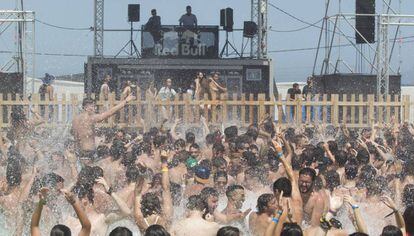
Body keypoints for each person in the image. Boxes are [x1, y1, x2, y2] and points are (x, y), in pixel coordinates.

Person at [71, 94, 135, 161]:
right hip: (89, 152)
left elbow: (75, 136)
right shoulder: (91, 118)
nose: (94, 108)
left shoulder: (75, 120)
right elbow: (109, 113)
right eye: (93, 106)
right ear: (86, 107)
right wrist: (125, 101)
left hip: (79, 152)